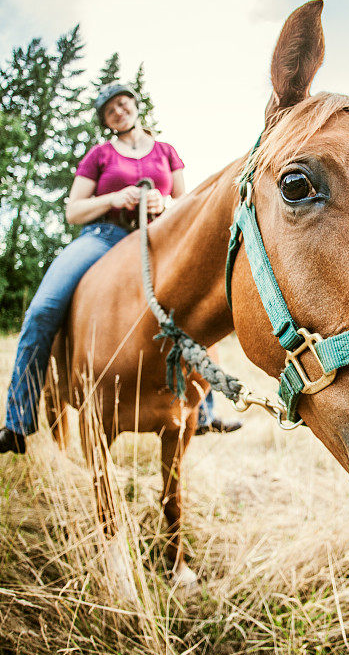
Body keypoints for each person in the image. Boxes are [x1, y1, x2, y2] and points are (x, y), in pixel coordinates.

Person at [0, 83, 240, 454]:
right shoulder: (99, 154)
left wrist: (163, 205)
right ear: (106, 120)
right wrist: (114, 197)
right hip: (103, 237)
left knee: (198, 302)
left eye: (122, 102)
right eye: (109, 109)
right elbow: (73, 210)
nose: (118, 110)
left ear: (135, 106)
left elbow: (186, 202)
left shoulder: (165, 151)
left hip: (156, 237)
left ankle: (205, 410)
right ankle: (18, 420)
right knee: (43, 308)